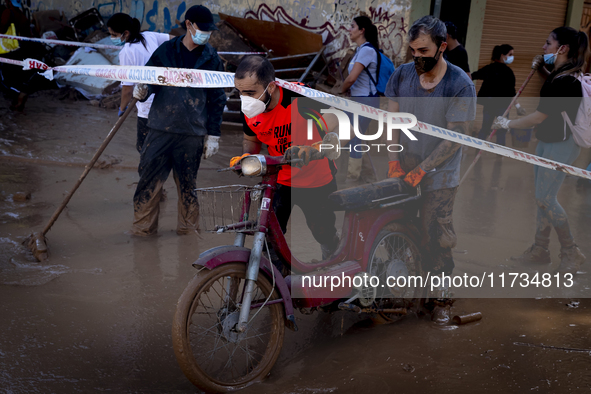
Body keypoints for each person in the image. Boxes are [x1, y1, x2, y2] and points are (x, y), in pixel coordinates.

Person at [385, 15, 476, 323]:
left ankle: (441, 299)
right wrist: (393, 159)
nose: (417, 58)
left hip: (440, 173)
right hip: (405, 165)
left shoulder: (459, 84)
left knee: (437, 235)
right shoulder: (402, 75)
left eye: (423, 51)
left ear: (442, 46)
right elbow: (391, 119)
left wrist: (423, 170)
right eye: (413, 51)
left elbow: (454, 139)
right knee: (402, 227)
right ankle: (409, 289)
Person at [492, 27, 587, 273]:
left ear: (562, 49)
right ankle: (540, 249)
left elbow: (538, 117)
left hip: (562, 145)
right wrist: (542, 70)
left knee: (546, 198)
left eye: (548, 44)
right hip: (547, 141)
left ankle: (571, 251)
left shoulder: (568, 80)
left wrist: (507, 123)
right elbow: (553, 90)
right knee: (542, 199)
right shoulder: (560, 74)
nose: (544, 48)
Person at [232, 55, 340, 261]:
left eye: (249, 92)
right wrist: (247, 157)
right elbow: (250, 138)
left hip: (316, 177)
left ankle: (334, 264)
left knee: (322, 230)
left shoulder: (297, 95)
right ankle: (273, 282)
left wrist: (314, 146)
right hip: (279, 179)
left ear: (271, 87)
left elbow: (335, 117)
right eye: (239, 92)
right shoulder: (249, 108)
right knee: (268, 236)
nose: (244, 98)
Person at [131, 5, 226, 236]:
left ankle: (188, 234)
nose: (206, 34)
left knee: (188, 187)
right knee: (148, 184)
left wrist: (213, 135)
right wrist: (143, 90)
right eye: (202, 29)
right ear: (188, 25)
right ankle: (143, 233)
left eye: (209, 31)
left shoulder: (211, 59)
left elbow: (217, 99)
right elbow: (149, 78)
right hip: (160, 128)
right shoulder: (166, 51)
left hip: (192, 133)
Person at [106, 13, 171, 153]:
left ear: (126, 33)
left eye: (114, 34)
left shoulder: (126, 53)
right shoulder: (150, 36)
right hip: (168, 100)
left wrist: (122, 109)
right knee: (162, 146)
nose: (112, 38)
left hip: (147, 108)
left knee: (144, 148)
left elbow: (127, 89)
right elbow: (174, 39)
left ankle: (147, 174)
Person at [340, 16, 380, 181]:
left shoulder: (367, 50)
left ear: (362, 30)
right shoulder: (360, 50)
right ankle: (367, 176)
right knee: (353, 137)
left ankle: (352, 178)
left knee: (355, 137)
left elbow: (351, 78)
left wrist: (340, 92)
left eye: (353, 26)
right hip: (357, 100)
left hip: (366, 101)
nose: (350, 29)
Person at [472, 44, 525, 146]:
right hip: (503, 107)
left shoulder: (489, 69)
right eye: (510, 54)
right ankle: (499, 156)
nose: (512, 57)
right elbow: (512, 93)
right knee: (501, 131)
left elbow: (472, 76)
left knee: (485, 128)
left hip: (491, 106)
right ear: (502, 55)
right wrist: (518, 107)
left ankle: (478, 149)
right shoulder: (508, 72)